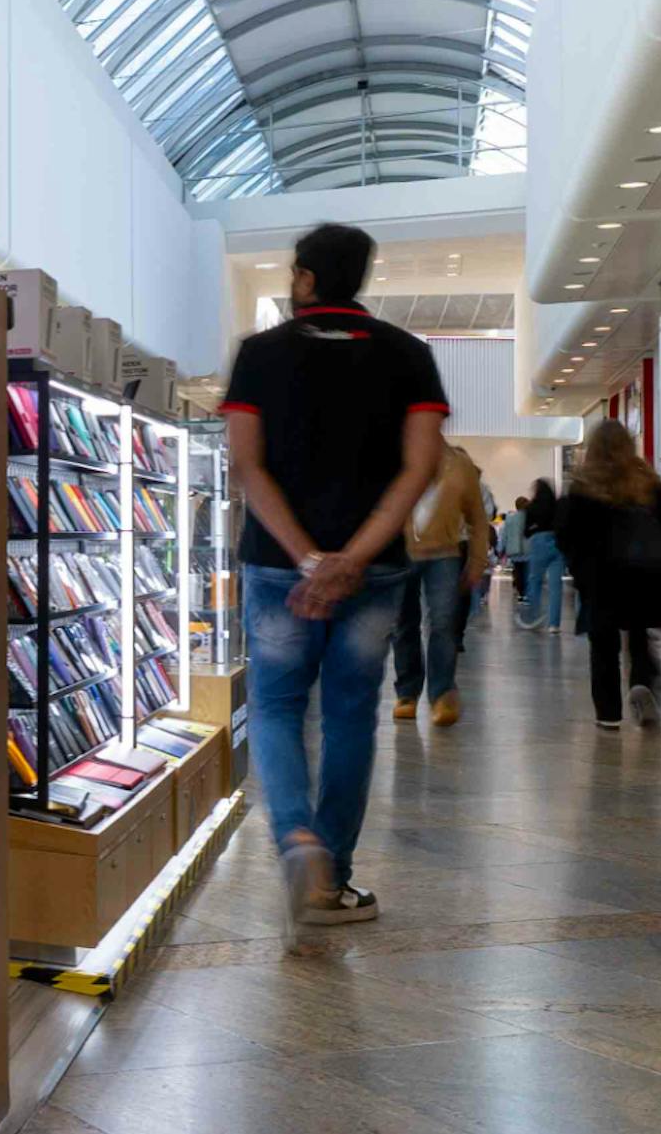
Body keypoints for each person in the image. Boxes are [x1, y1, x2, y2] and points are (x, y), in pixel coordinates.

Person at [220, 223, 448, 945]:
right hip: (374, 570)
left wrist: (308, 558)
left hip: (275, 565)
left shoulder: (259, 354)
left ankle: (296, 838)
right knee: (352, 714)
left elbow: (246, 465)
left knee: (276, 705)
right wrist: (351, 558)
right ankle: (334, 877)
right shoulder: (409, 354)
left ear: (307, 278)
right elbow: (422, 466)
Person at [555, 421, 661, 729]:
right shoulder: (647, 481)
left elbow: (567, 535)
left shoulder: (583, 485)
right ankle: (642, 684)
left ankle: (608, 714)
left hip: (601, 578)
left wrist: (579, 571)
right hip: (645, 576)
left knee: (603, 645)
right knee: (640, 639)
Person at [386, 440, 490, 727]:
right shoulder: (392, 454)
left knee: (443, 622)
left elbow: (477, 518)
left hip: (445, 554)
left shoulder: (459, 464)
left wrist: (477, 561)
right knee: (402, 624)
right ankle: (407, 693)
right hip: (400, 553)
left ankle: (442, 693)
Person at [516, 480, 567, 630]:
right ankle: (554, 624)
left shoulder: (532, 507)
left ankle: (533, 616)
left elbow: (526, 531)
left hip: (539, 543)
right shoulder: (557, 505)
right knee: (555, 585)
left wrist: (535, 529)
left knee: (535, 580)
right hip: (557, 544)